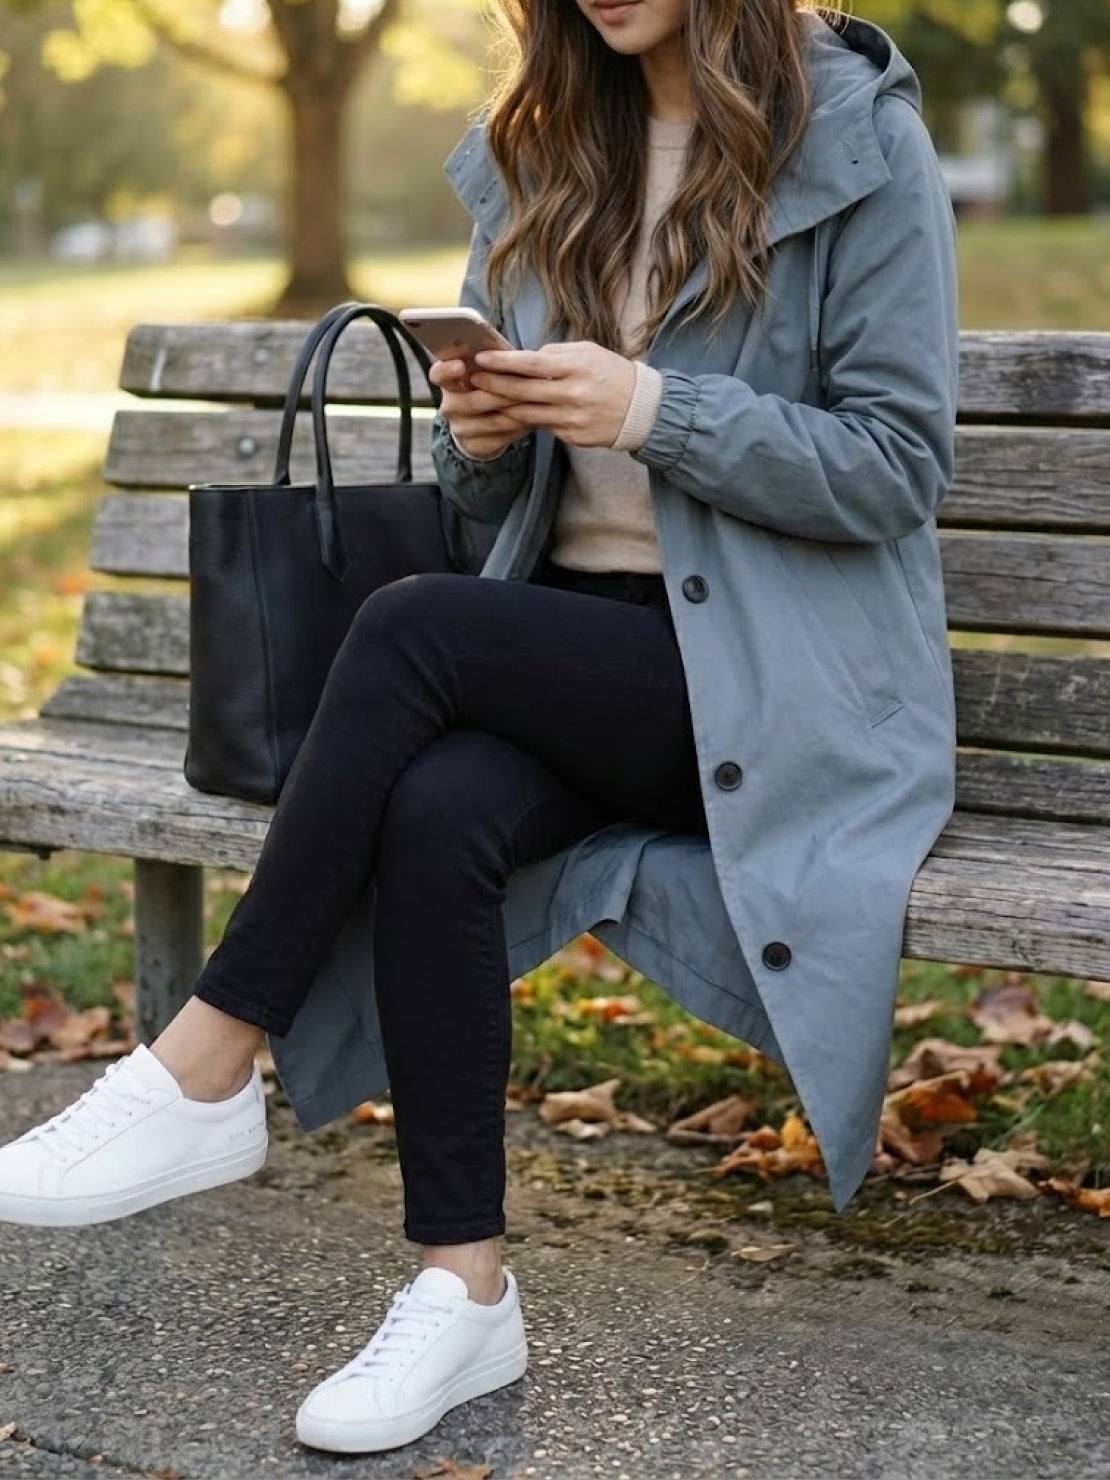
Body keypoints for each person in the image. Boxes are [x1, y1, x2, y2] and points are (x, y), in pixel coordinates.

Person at [0, 0, 960, 1458]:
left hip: (774, 679)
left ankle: (205, 1059)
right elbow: (485, 507)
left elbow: (895, 464)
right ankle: (464, 1287)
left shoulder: (857, 137)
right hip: (561, 650)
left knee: (414, 629)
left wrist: (651, 408)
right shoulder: (540, 145)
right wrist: (484, 438)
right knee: (439, 804)